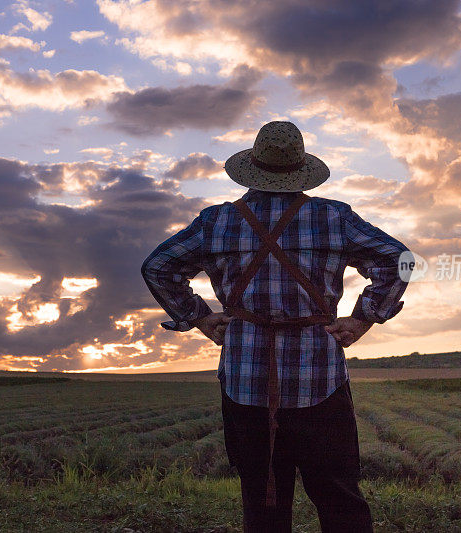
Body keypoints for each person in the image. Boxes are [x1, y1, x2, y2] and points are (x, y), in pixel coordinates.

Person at [141, 120, 412, 532]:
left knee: (262, 501)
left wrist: (200, 317)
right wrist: (362, 319)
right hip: (320, 380)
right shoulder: (333, 217)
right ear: (301, 169)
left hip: (245, 384)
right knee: (339, 499)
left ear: (252, 166)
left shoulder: (216, 222)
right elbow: (400, 260)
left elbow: (158, 266)